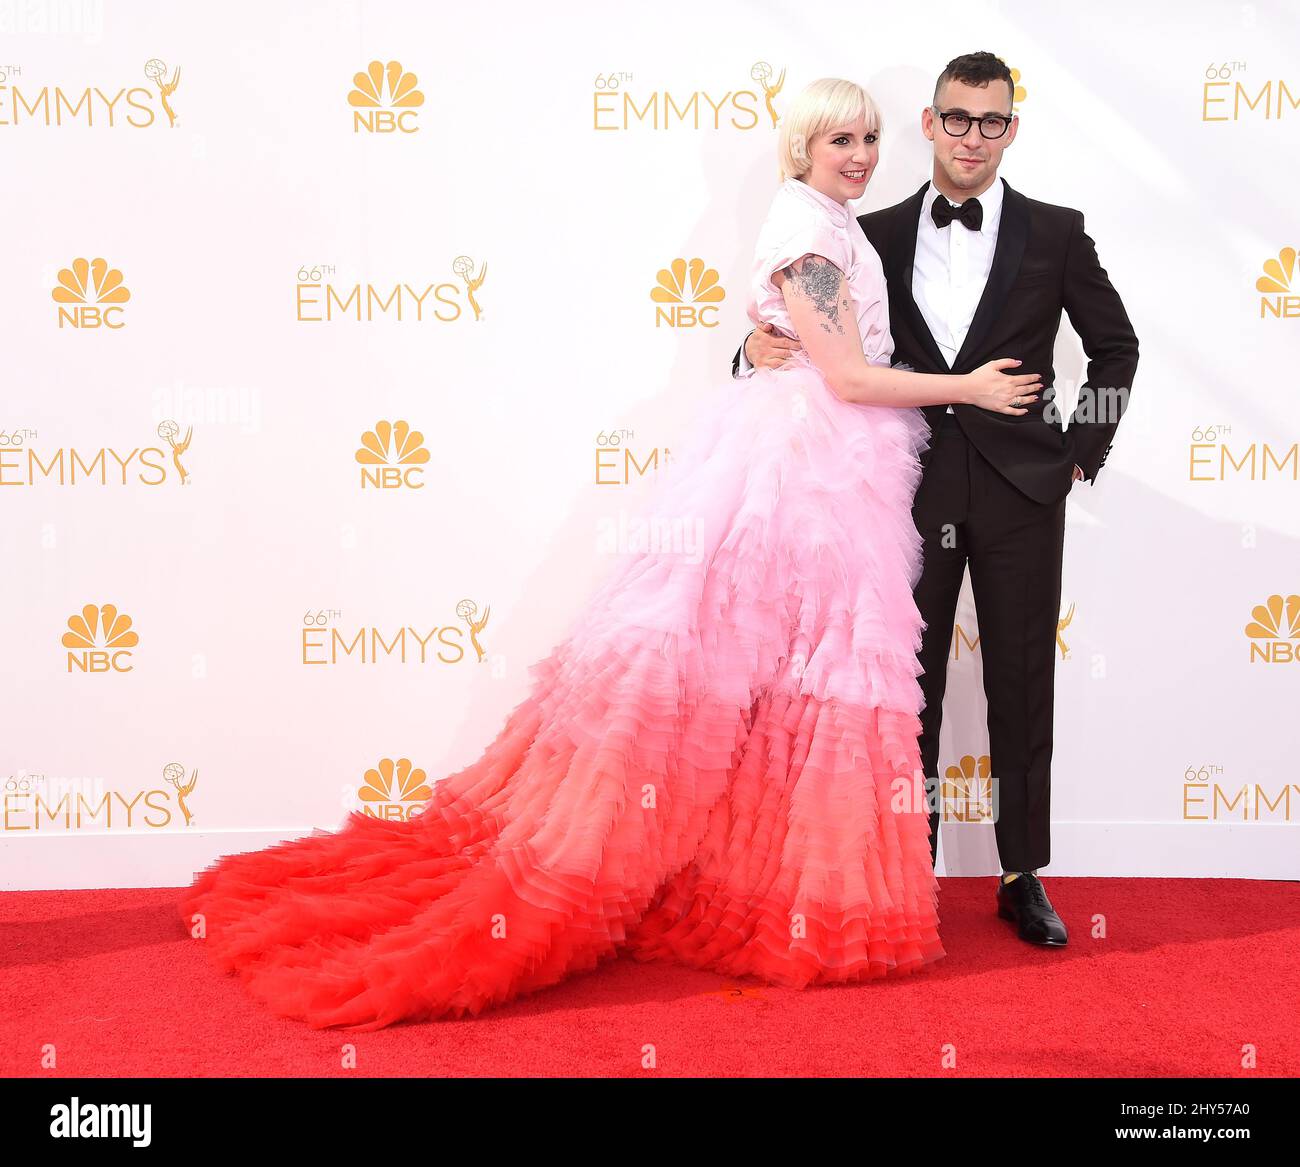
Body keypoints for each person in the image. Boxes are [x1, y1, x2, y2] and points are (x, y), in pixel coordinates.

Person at [177, 77, 1041, 1030]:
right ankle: (746, 888)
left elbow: (819, 343)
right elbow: (842, 371)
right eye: (841, 137)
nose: (861, 153)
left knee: (785, 682)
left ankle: (760, 881)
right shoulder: (810, 229)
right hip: (807, 469)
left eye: (870, 136)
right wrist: (968, 387)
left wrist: (769, 345)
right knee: (776, 673)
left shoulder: (835, 224)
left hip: (832, 460)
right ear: (802, 146)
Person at [739, 53, 1140, 946]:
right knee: (897, 690)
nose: (972, 137)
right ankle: (901, 871)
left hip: (1023, 492)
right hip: (904, 490)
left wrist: (1080, 453)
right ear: (929, 123)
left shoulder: (1057, 232)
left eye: (990, 121)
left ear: (1011, 129)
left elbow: (1116, 348)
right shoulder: (863, 226)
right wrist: (750, 350)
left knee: (1021, 682)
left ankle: (1021, 872)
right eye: (956, 118)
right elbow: (809, 325)